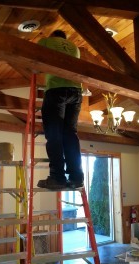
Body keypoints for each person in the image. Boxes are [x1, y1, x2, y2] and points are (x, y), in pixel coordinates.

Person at [37, 29, 84, 190]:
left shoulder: (45, 41)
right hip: (76, 91)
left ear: (52, 36)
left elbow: (36, 61)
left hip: (56, 89)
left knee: (54, 135)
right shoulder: (75, 48)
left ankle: (57, 177)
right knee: (70, 134)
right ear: (65, 38)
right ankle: (76, 178)